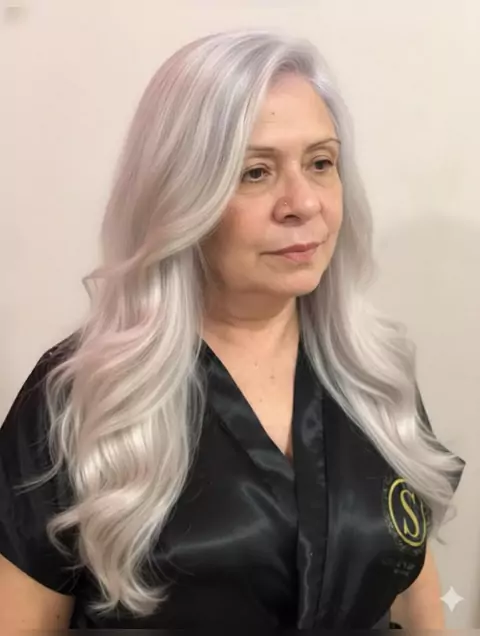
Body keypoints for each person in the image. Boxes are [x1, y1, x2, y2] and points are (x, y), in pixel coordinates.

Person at [0, 30, 465, 631]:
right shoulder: (79, 396)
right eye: (255, 172)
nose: (303, 203)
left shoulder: (373, 375)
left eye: (320, 163)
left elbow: (413, 584)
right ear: (180, 197)